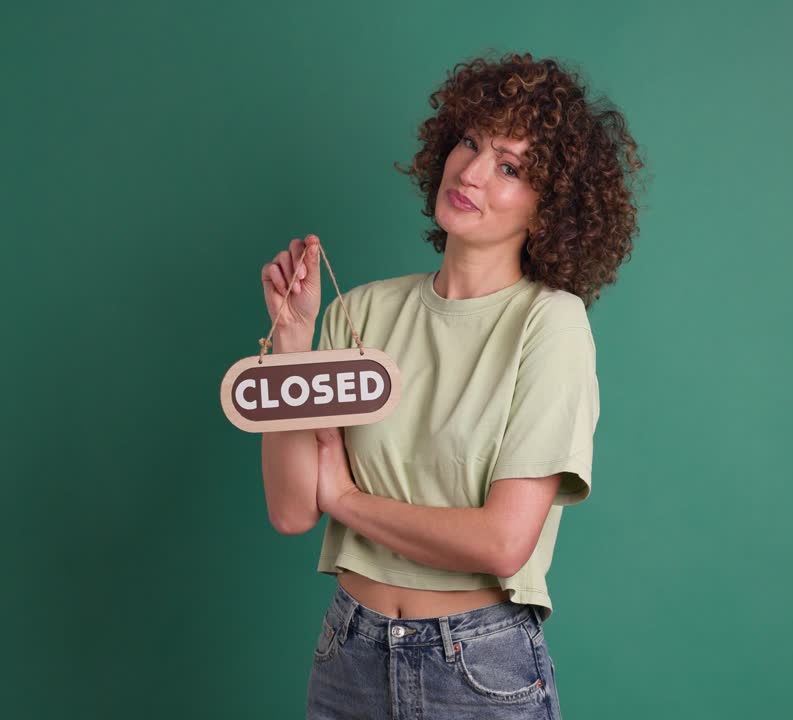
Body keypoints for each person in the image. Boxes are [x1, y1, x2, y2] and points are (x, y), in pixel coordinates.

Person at [258, 51, 644, 718]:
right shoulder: (360, 313)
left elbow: (501, 543)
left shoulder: (548, 323)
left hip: (476, 669)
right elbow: (293, 511)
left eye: (511, 167)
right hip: (348, 653)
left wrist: (347, 500)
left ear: (547, 206)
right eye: (470, 141)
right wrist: (292, 345)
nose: (471, 172)